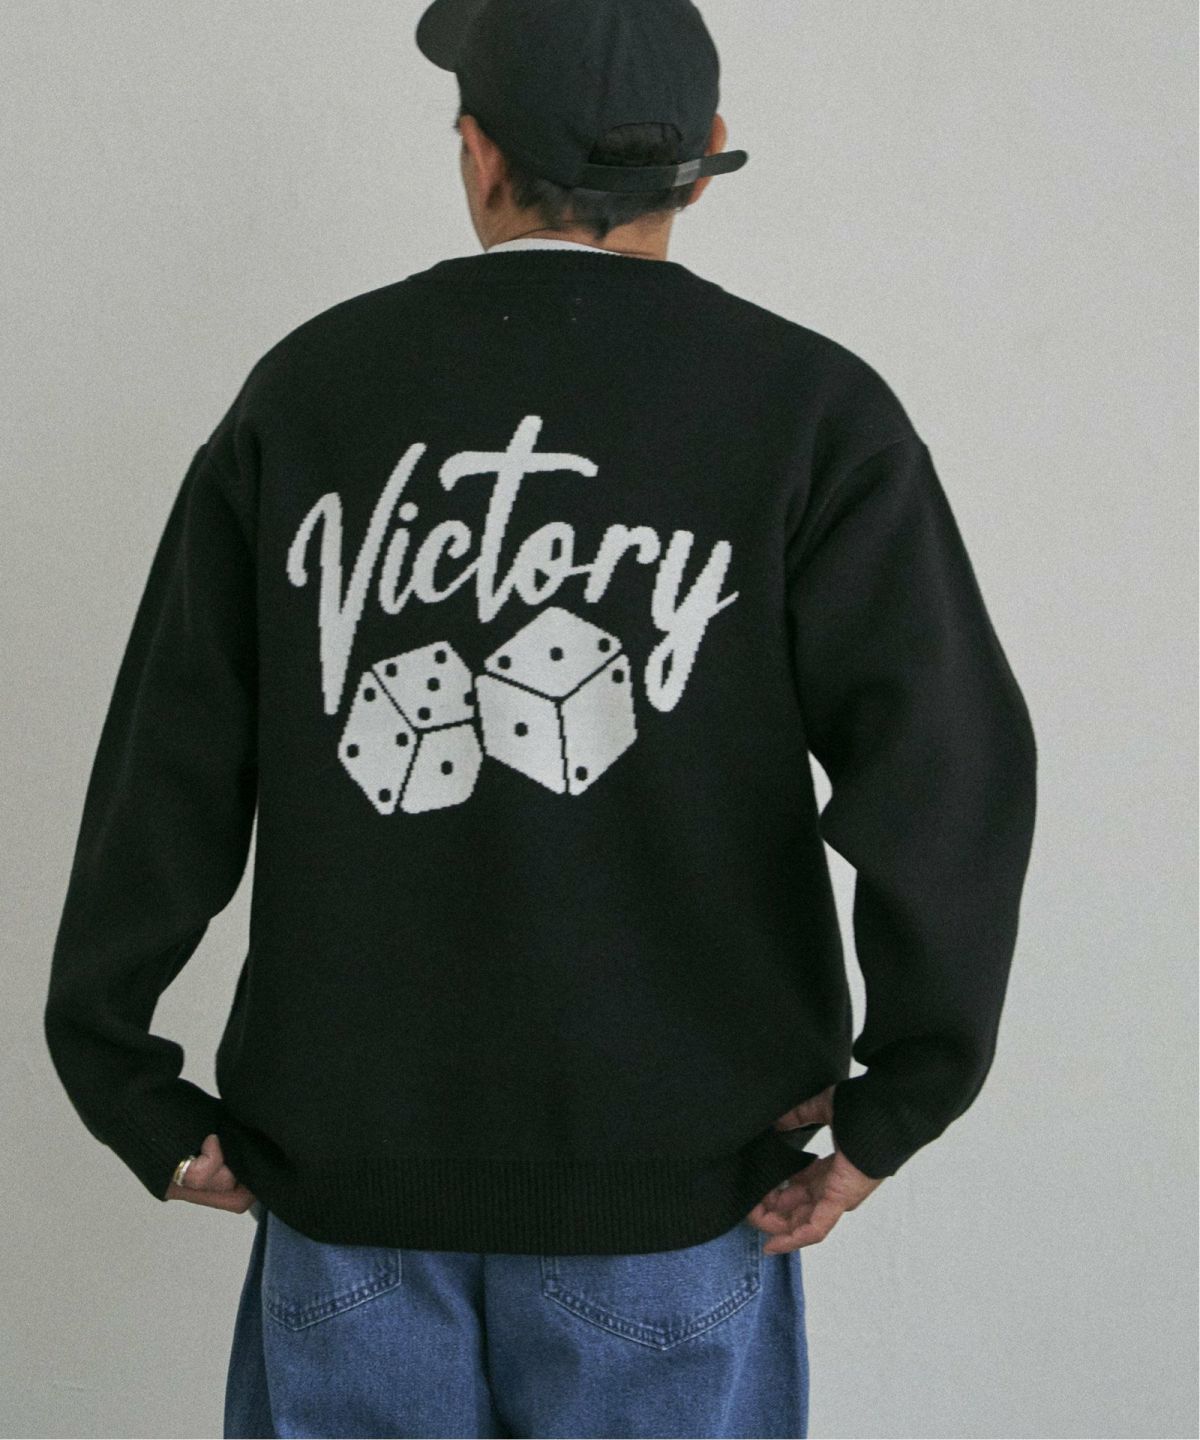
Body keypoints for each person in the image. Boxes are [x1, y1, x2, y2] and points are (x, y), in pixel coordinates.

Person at [42, 1, 1038, 1436]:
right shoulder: (811, 409)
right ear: (705, 155)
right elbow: (946, 778)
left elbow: (170, 761)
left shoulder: (309, 392)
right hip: (675, 1194)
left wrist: (122, 1078)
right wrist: (904, 1097)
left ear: (478, 151)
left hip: (351, 1198)